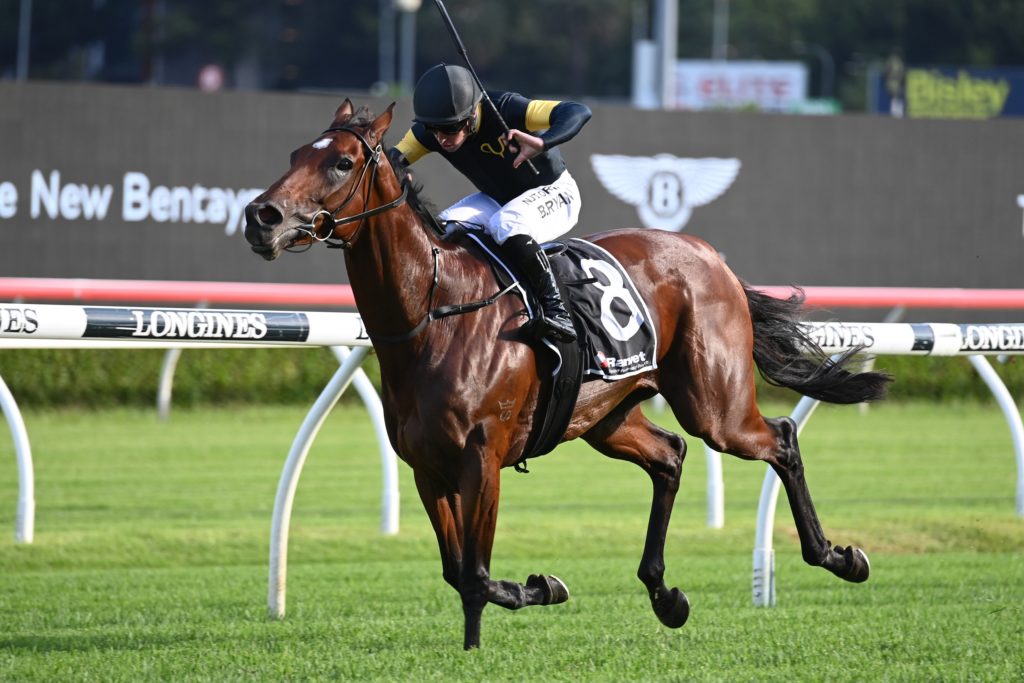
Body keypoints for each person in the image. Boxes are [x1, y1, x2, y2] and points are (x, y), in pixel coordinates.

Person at [389, 63, 592, 343]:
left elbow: (578, 111)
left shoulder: (506, 109)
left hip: (555, 191)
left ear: (473, 113)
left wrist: (543, 143)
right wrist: (397, 172)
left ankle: (557, 312)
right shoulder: (430, 132)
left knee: (506, 223)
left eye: (450, 128)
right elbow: (391, 159)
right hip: (500, 201)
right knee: (444, 228)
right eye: (433, 129)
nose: (441, 138)